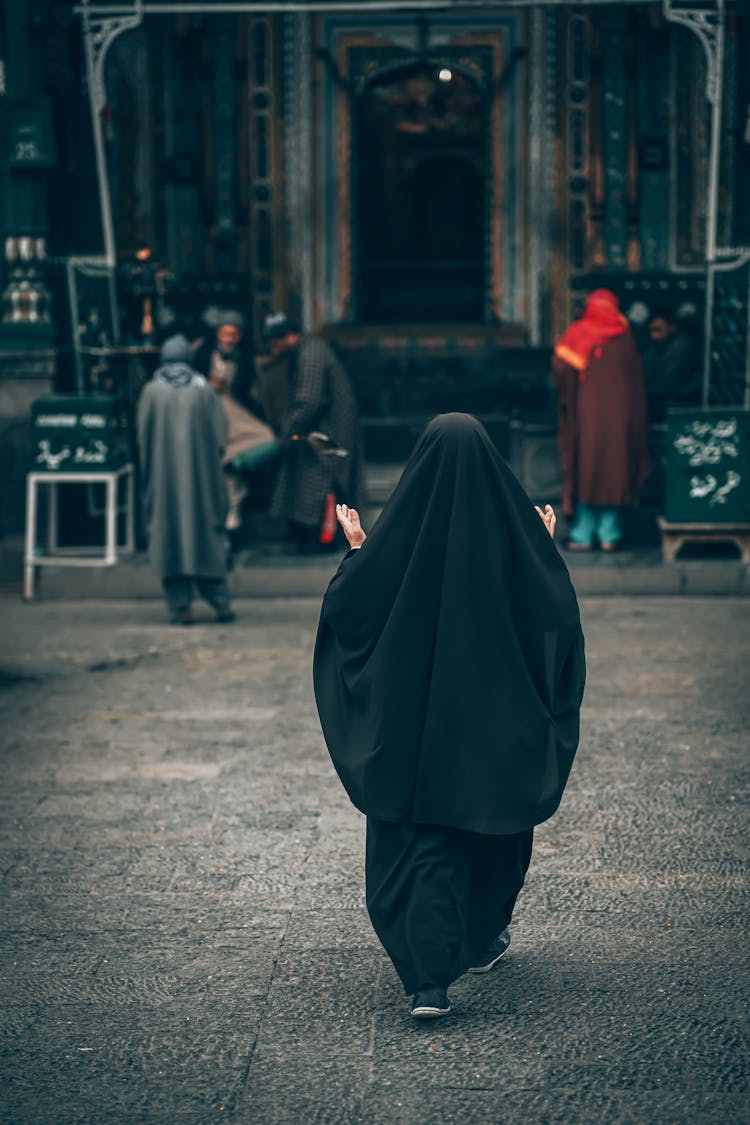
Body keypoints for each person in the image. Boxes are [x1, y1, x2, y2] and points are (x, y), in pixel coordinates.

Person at [313, 413, 586, 1019]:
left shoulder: (398, 543)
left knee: (422, 835)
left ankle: (427, 982)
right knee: (491, 827)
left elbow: (352, 614)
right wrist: (541, 551)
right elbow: (555, 621)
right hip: (493, 730)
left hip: (414, 736)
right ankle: (481, 937)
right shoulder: (514, 545)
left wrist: (360, 551)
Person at [137, 335, 235, 625]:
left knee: (170, 540)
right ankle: (220, 604)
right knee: (206, 538)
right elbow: (220, 435)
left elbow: (143, 438)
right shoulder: (203, 391)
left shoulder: (152, 391)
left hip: (164, 482)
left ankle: (180, 608)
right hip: (202, 483)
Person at [552, 289, 650, 552]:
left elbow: (560, 369)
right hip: (621, 421)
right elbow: (637, 383)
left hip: (587, 421)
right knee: (614, 472)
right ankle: (609, 535)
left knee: (587, 470)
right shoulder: (625, 337)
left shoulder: (578, 332)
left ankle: (583, 536)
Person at [261, 311, 362, 551]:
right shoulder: (307, 350)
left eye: (275, 341)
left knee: (319, 487)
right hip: (321, 434)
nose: (272, 347)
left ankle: (321, 539)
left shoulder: (311, 354)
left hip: (328, 435)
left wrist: (286, 435)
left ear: (289, 336)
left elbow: (308, 401)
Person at [194, 311, 280, 532]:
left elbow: (253, 392)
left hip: (235, 412)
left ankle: (236, 480)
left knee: (264, 439)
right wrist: (206, 384)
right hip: (207, 413)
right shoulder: (201, 353)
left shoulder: (245, 358)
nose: (229, 338)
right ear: (217, 333)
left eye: (234, 334)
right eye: (225, 333)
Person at [641, 305, 701, 422]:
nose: (654, 335)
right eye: (652, 330)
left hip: (679, 406)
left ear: (672, 328)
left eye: (658, 330)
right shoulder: (655, 347)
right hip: (663, 404)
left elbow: (667, 383)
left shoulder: (682, 347)